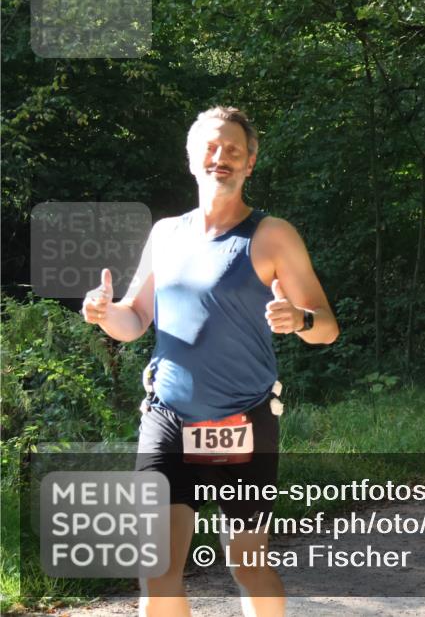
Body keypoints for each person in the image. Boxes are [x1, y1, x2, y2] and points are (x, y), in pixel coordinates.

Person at [81, 106, 340, 617]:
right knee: (157, 566)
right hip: (167, 414)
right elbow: (135, 319)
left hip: (242, 417)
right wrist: (105, 313)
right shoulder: (166, 234)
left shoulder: (272, 235)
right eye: (210, 148)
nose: (220, 157)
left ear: (250, 162)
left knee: (245, 560)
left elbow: (327, 326)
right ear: (191, 157)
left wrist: (300, 321)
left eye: (233, 150)